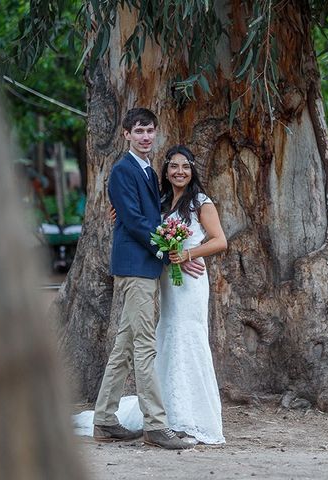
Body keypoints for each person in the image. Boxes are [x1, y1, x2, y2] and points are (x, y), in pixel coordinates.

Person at [98, 145, 227, 445]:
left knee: (187, 337)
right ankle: (166, 413)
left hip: (191, 282)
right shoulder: (161, 199)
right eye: (173, 166)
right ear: (166, 170)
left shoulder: (200, 202)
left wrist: (189, 252)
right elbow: (139, 221)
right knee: (166, 335)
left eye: (185, 166)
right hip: (167, 279)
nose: (179, 171)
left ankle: (191, 417)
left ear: (193, 170)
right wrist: (118, 211)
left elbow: (220, 241)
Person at [91, 108, 193, 450]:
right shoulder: (122, 170)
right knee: (144, 346)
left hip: (145, 266)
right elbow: (134, 221)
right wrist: (166, 246)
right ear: (126, 135)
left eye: (150, 130)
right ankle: (156, 426)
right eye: (139, 131)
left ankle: (105, 419)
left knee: (124, 346)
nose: (145, 136)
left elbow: (147, 212)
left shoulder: (149, 170)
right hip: (135, 265)